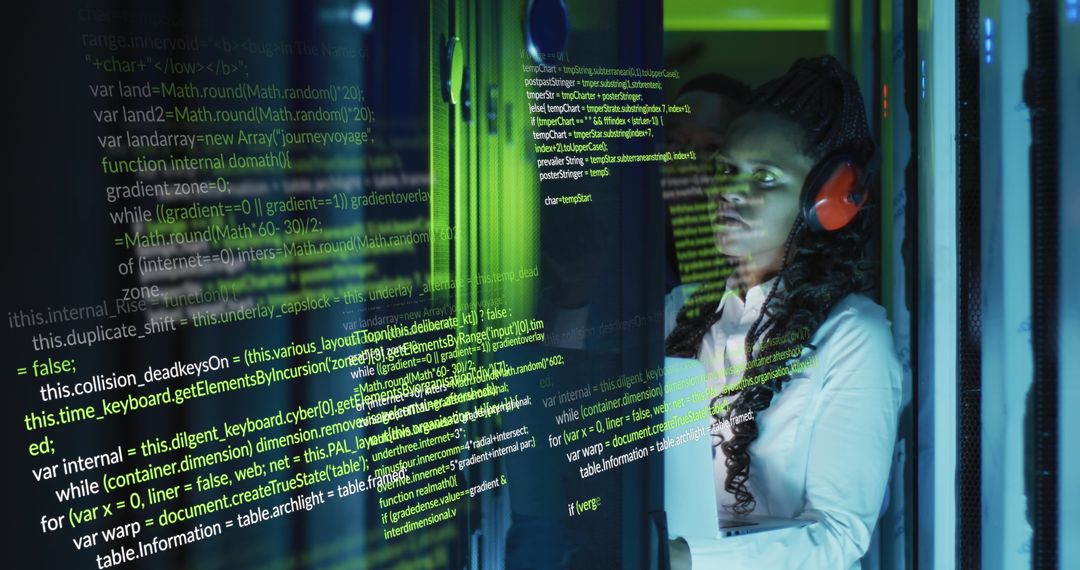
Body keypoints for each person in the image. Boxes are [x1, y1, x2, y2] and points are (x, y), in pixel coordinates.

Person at [664, 55, 903, 569]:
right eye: (726, 169)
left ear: (826, 202)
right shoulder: (676, 311)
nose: (729, 190)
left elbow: (840, 536)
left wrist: (683, 560)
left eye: (764, 176)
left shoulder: (853, 337)